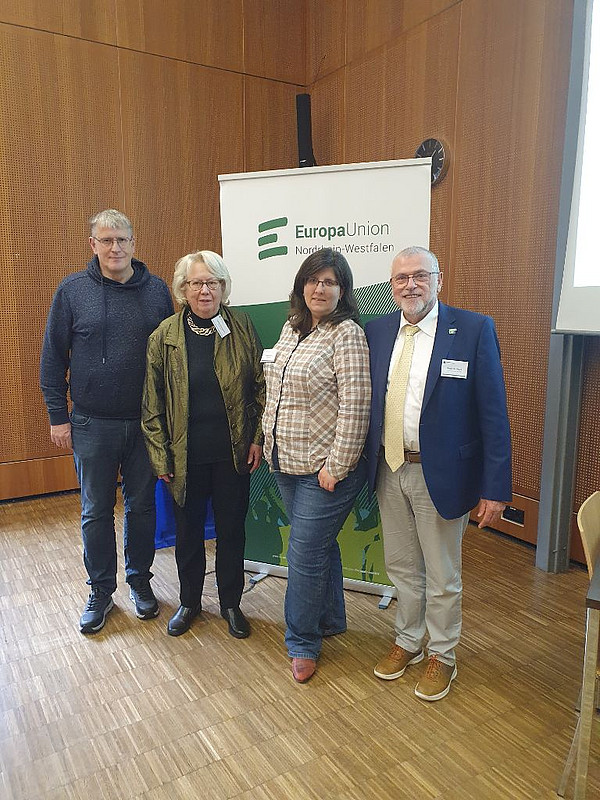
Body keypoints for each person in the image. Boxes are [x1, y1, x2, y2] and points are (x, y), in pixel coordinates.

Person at [365, 246, 512, 701]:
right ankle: (409, 640)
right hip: (390, 468)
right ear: (392, 286)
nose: (410, 285)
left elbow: (493, 413)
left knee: (442, 573)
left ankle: (442, 654)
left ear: (438, 279)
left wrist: (495, 487)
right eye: (401, 278)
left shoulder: (471, 330)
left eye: (419, 276)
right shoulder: (377, 330)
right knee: (403, 567)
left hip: (442, 475)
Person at [40, 209, 174, 634]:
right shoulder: (72, 291)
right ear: (93, 245)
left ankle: (140, 582)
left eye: (123, 240)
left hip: (145, 423)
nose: (115, 248)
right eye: (106, 240)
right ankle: (100, 590)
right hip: (91, 423)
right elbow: (51, 358)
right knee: (95, 511)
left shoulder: (157, 291)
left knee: (142, 507)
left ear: (134, 243)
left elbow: (169, 360)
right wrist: (58, 417)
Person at [141, 251, 265, 639]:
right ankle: (190, 602)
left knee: (232, 531)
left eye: (212, 282)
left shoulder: (242, 327)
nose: (204, 290)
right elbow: (152, 404)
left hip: (232, 453)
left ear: (223, 287)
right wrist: (161, 455)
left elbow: (262, 390)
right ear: (183, 289)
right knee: (189, 533)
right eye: (196, 283)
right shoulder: (164, 337)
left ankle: (231, 603)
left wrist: (257, 438)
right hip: (185, 456)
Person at [262, 248, 371, 683]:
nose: (319, 288)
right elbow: (276, 392)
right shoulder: (293, 329)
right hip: (284, 461)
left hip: (325, 470)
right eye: (313, 280)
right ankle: (331, 619)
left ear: (342, 290)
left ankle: (302, 640)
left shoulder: (347, 334)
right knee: (319, 545)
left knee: (304, 554)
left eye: (329, 282)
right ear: (301, 285)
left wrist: (337, 465)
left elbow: (357, 406)